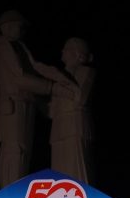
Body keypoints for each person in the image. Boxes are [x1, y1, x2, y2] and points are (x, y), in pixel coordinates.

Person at [0, 10, 54, 187]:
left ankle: (16, 188)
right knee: (15, 149)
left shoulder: (19, 47)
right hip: (13, 104)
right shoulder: (3, 47)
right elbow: (18, 77)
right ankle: (10, 189)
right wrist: (50, 87)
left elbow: (33, 69)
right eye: (19, 25)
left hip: (25, 102)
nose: (21, 29)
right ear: (7, 27)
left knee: (24, 150)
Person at [34, 37, 95, 183]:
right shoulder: (58, 80)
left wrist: (56, 75)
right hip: (59, 129)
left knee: (77, 172)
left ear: (78, 54)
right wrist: (34, 98)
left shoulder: (85, 71)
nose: (62, 51)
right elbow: (51, 112)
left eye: (67, 49)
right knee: (60, 174)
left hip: (75, 126)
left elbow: (80, 97)